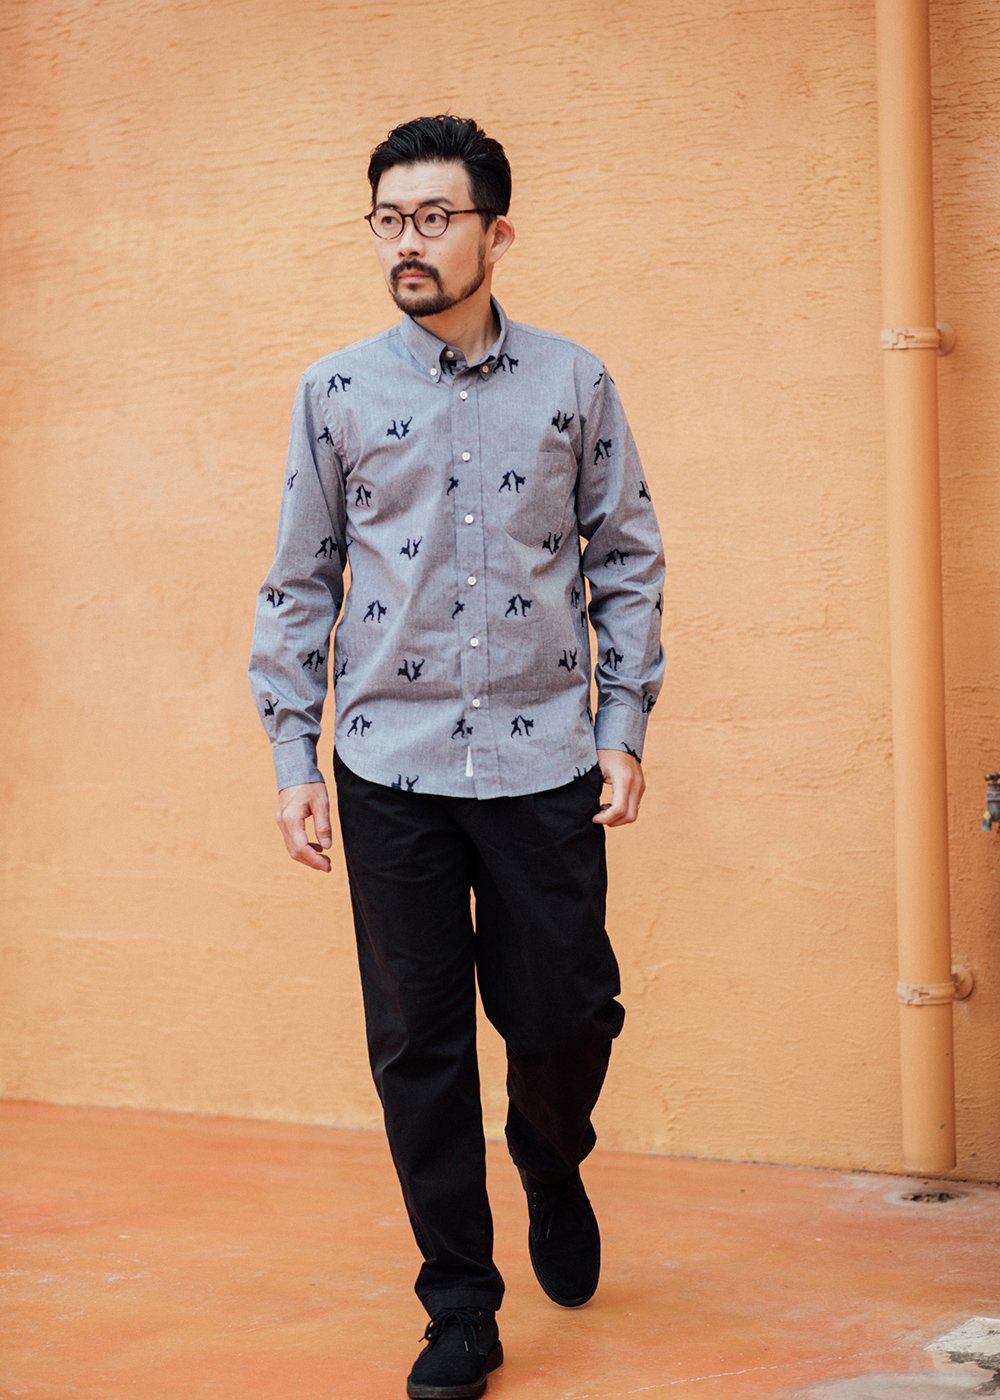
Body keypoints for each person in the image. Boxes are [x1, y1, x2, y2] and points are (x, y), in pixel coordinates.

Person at [247, 113, 666, 1400]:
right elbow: (300, 580)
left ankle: (550, 1153)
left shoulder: (575, 382)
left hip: (543, 765)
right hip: (391, 769)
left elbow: (625, 558)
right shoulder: (335, 391)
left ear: (496, 232)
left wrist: (622, 726)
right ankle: (461, 1303)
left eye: (434, 218)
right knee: (417, 1045)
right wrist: (293, 755)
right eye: (388, 219)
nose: (407, 243)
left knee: (567, 1015)